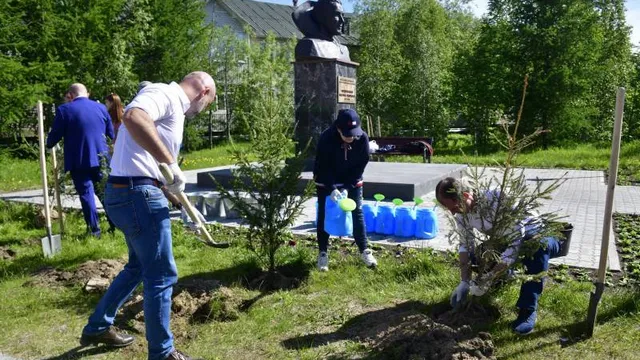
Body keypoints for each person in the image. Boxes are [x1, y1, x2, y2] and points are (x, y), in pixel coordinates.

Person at [79, 72, 216, 360]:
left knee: (139, 267)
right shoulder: (166, 95)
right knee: (161, 273)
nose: (201, 111)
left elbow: (148, 169)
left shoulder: (170, 106)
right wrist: (170, 162)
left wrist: (179, 203)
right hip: (136, 195)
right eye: (207, 103)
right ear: (203, 92)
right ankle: (163, 353)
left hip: (127, 191)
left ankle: (98, 326)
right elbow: (133, 117)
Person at [436, 177, 561, 335]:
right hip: (505, 238)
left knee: (537, 250)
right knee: (478, 256)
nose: (453, 213)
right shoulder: (462, 213)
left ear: (466, 196)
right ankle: (502, 278)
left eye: (453, 208)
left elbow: (514, 246)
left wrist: (489, 277)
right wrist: (464, 282)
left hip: (534, 234)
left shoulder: (499, 199)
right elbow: (465, 246)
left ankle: (528, 310)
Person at [46, 83, 115, 237]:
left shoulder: (64, 110)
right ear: (87, 94)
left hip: (79, 160)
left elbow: (55, 135)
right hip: (101, 159)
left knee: (86, 194)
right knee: (105, 193)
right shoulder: (101, 108)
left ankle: (94, 230)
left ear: (70, 95)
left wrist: (48, 143)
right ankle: (115, 225)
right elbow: (111, 134)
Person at [313, 108, 377, 271]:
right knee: (324, 213)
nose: (350, 137)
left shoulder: (362, 138)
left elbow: (359, 167)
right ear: (338, 128)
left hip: (351, 180)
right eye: (346, 134)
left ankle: (364, 251)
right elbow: (321, 167)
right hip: (327, 180)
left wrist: (347, 188)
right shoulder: (326, 138)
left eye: (353, 134)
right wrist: (333, 188)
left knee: (357, 212)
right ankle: (322, 253)